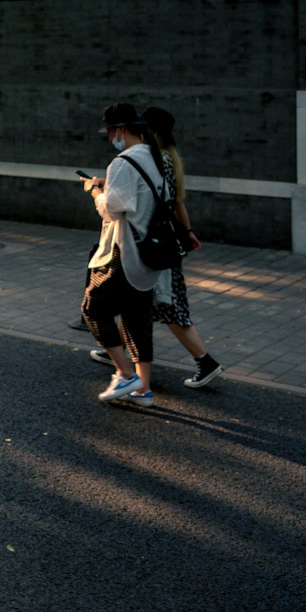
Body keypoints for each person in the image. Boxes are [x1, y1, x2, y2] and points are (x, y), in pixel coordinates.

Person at [88, 106, 224, 387]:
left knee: (159, 306)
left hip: (146, 247)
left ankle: (196, 362)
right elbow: (174, 202)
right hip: (162, 241)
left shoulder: (142, 159)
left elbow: (118, 208)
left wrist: (98, 192)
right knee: (142, 308)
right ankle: (135, 373)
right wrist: (186, 232)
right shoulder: (162, 158)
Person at [79, 102, 166, 407]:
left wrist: (94, 191)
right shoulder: (156, 157)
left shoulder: (123, 162)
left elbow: (112, 209)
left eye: (110, 131)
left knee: (93, 307)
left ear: (120, 129)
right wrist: (109, 187)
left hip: (124, 252)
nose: (109, 137)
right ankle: (144, 390)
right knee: (136, 319)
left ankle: (126, 374)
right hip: (150, 255)